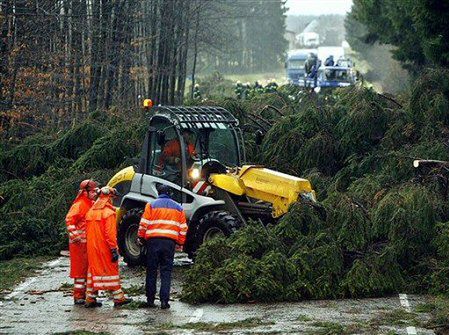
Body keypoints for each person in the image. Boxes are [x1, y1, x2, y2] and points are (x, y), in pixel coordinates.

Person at [138, 184, 188, 309]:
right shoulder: (178, 208)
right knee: (166, 272)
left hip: (153, 241)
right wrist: (180, 243)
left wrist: (141, 238)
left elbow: (144, 223)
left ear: (158, 193)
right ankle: (164, 302)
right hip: (169, 243)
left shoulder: (151, 205)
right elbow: (183, 228)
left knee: (152, 270)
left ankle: (150, 300)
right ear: (169, 193)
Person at [85, 186, 132, 308]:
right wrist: (113, 248)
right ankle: (118, 297)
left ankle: (90, 297)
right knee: (110, 270)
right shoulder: (109, 213)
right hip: (104, 247)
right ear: (109, 197)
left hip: (92, 247)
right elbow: (110, 234)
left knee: (93, 270)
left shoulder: (90, 212)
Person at [65, 179, 98, 305]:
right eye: (93, 191)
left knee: (89, 270)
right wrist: (75, 236)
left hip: (88, 243)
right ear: (85, 192)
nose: (95, 193)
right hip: (79, 245)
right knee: (80, 271)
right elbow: (69, 220)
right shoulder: (79, 205)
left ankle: (88, 296)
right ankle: (78, 296)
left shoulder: (91, 203)